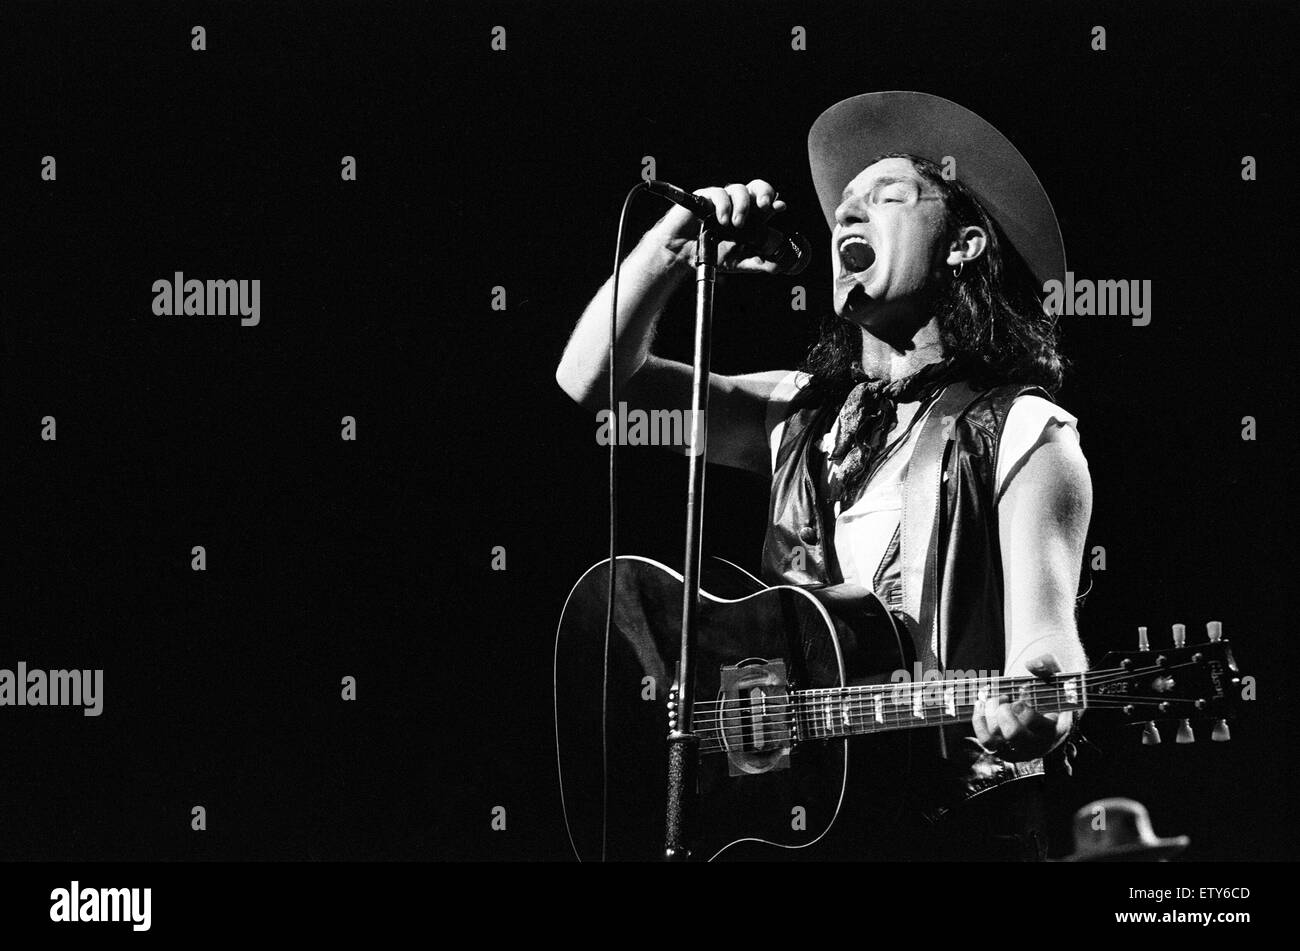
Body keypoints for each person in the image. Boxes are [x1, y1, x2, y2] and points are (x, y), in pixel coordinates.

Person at [556, 91, 1092, 860]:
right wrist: (676, 247)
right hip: (798, 830)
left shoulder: (1025, 429)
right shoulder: (797, 412)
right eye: (844, 205)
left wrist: (1038, 700)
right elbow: (595, 380)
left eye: (887, 196)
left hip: (953, 834)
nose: (848, 214)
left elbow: (1048, 639)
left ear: (964, 244)